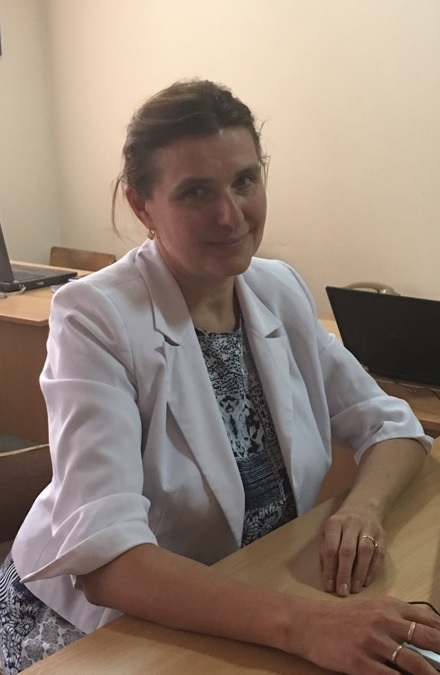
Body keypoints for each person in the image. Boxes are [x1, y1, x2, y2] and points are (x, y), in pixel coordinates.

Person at [1, 79, 440, 675]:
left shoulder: (277, 286)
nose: (231, 215)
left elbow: (391, 425)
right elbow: (108, 561)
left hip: (250, 587)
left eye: (244, 181)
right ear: (142, 206)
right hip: (94, 628)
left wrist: (362, 510)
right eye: (195, 192)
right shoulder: (95, 316)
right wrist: (306, 624)